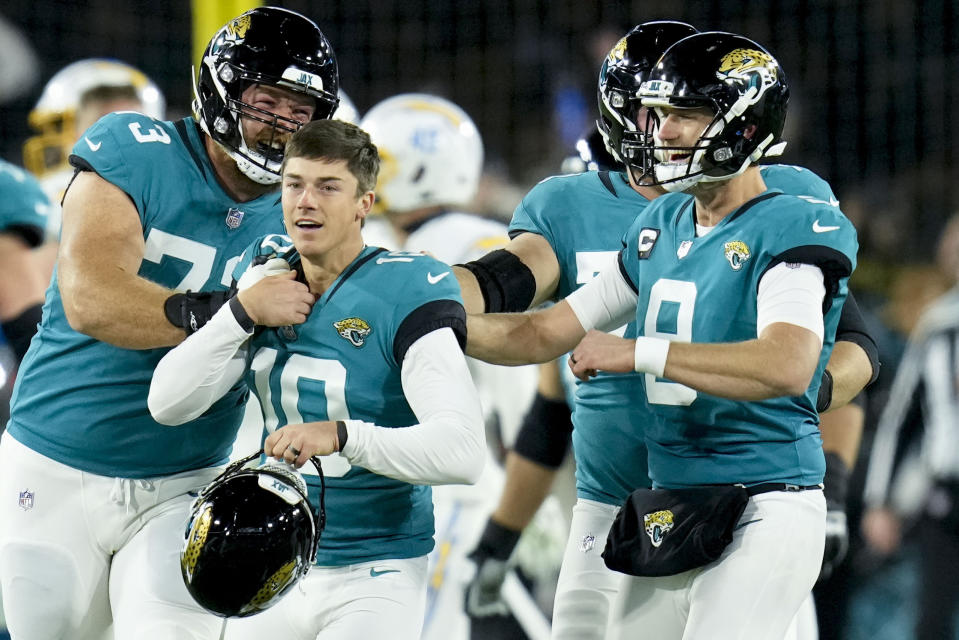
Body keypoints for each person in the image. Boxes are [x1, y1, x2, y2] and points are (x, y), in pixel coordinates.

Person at [458, 22, 876, 640]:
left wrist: (640, 353)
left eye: (682, 113)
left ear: (745, 125)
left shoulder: (792, 214)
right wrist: (425, 315)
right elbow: (544, 332)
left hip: (763, 494)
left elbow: (804, 361)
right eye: (655, 113)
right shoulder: (660, 222)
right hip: (657, 505)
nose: (661, 132)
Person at [0, 7, 341, 639]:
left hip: (186, 480)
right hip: (56, 463)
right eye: (268, 103)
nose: (282, 128)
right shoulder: (135, 149)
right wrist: (232, 314)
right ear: (223, 88)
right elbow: (92, 298)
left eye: (301, 115)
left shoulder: (313, 207)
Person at [148, 117, 485, 640]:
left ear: (364, 204)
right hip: (269, 556)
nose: (306, 201)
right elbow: (167, 403)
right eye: (294, 184)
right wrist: (240, 312)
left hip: (375, 566)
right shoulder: (264, 275)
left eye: (328, 187)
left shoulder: (407, 287)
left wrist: (340, 435)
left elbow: (462, 452)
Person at [358, 92, 544, 639]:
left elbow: (519, 361)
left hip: (459, 480)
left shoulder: (463, 242)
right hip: (414, 471)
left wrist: (518, 468)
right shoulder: (402, 239)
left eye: (379, 164)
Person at [861, 215, 959, 640]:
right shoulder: (938, 324)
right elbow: (900, 419)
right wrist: (879, 501)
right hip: (946, 498)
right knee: (931, 619)